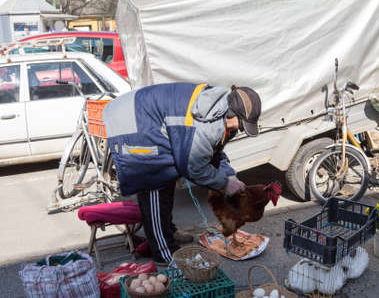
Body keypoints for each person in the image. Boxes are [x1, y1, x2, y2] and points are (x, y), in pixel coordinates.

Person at [102, 83, 262, 265]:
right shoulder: (205, 125)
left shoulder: (220, 115)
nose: (241, 129)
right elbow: (194, 167)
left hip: (150, 119)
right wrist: (225, 184)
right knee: (155, 182)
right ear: (231, 113)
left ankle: (169, 231)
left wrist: (229, 175)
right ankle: (163, 252)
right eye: (242, 123)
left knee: (168, 174)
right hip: (133, 122)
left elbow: (214, 152)